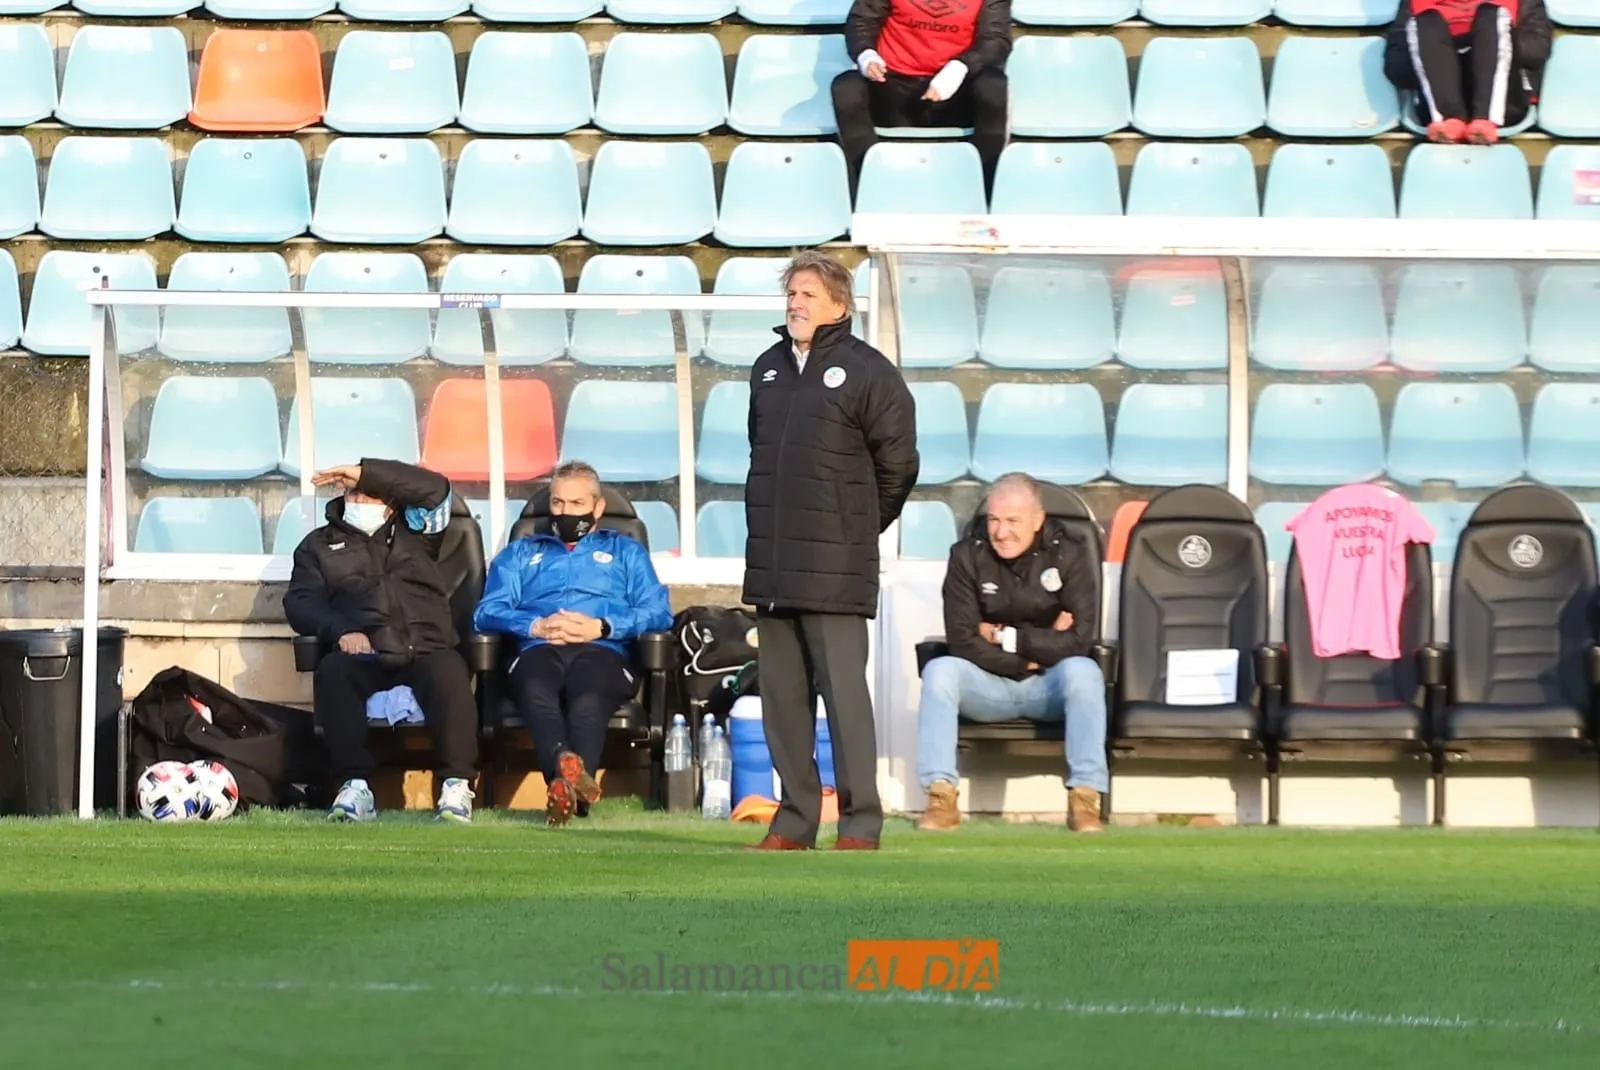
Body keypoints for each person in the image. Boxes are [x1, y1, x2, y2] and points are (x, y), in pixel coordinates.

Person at [743, 251, 920, 852]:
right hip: (772, 565)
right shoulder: (767, 369)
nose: (795, 303)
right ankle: (794, 822)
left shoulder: (869, 371)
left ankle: (860, 824)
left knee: (844, 701)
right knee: (782, 703)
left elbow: (899, 466)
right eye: (791, 293)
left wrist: (855, 526)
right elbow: (760, 451)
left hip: (835, 566)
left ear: (840, 305)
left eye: (808, 295)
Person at [473, 462, 672, 828]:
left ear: (598, 507)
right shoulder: (521, 552)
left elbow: (658, 612)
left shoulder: (625, 551)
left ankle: (563, 780)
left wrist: (603, 626)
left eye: (577, 503)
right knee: (536, 688)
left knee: (588, 696)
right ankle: (572, 784)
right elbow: (486, 612)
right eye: (558, 503)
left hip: (604, 651)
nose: (565, 512)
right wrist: (533, 625)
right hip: (537, 648)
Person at [284, 458, 479, 824]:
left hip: (423, 646)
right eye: (354, 493)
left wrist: (365, 472)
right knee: (333, 672)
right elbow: (300, 602)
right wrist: (340, 630)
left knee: (450, 671)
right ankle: (354, 787)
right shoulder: (317, 546)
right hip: (363, 649)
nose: (359, 500)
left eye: (370, 493)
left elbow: (437, 489)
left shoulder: (417, 530)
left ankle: (456, 785)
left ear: (391, 499)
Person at [915, 473, 1108, 834]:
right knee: (940, 671)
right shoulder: (966, 555)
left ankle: (1084, 799)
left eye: (1012, 521)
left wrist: (1002, 636)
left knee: (1084, 672)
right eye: (994, 520)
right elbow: (962, 640)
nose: (1001, 532)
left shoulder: (1072, 552)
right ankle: (941, 798)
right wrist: (1033, 652)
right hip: (989, 686)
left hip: (1048, 686)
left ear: (1037, 520)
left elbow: (1079, 641)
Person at [833, 0, 1013, 196]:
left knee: (994, 87)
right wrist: (866, 54)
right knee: (846, 88)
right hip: (892, 87)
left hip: (956, 92)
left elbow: (996, 39)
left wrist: (961, 66)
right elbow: (862, 21)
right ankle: (870, 186)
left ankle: (983, 190)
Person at [1384, 0, 1550, 144]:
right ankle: (1449, 119)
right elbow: (1397, 67)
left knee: (1490, 16)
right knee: (1427, 22)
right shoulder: (1415, 3)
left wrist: (1480, 43)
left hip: (1505, 100)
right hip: (1437, 107)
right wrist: (1447, 51)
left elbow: (1537, 50)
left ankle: (1486, 119)